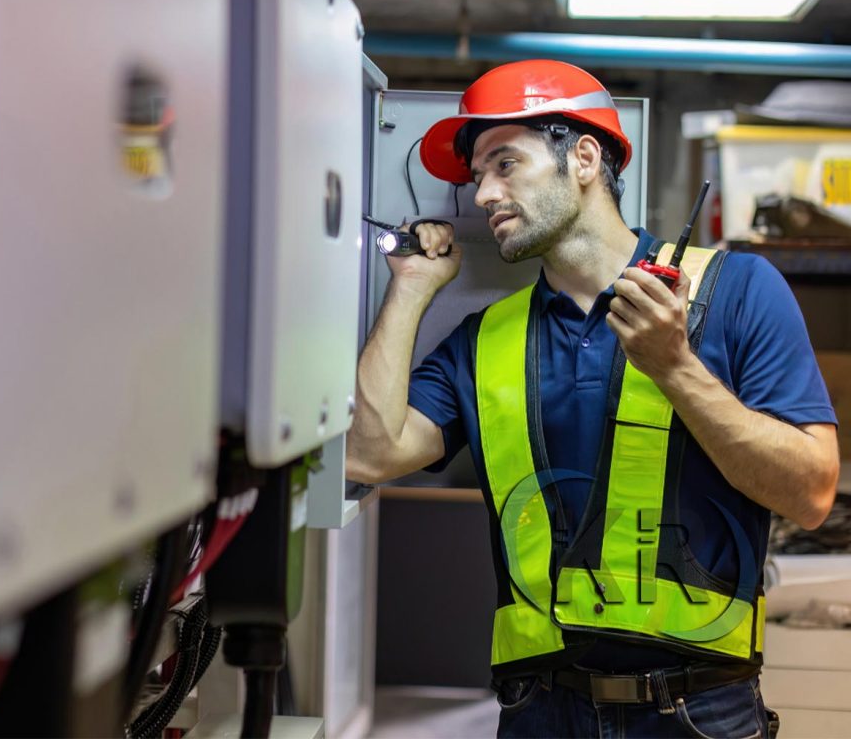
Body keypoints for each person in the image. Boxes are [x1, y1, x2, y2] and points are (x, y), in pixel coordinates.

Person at [347, 60, 840, 739]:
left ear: (582, 157)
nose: (483, 193)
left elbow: (811, 494)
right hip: (538, 711)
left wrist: (675, 368)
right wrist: (409, 286)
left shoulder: (738, 291)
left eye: (504, 163)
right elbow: (369, 454)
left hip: (699, 711)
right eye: (476, 176)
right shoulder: (484, 340)